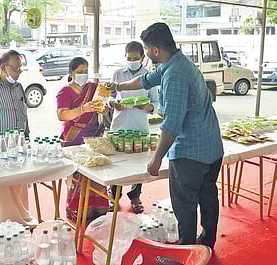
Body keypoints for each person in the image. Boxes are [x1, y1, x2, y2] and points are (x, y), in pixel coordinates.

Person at [106, 23, 223, 249]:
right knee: (208, 196)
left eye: (147, 50)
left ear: (155, 50)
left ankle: (187, 249)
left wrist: (157, 157)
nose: (147, 55)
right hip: (211, 147)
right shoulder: (176, 63)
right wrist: (118, 85)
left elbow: (172, 123)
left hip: (191, 153)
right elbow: (145, 80)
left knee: (185, 203)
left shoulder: (175, 75)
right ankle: (207, 244)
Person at [0, 50, 37, 232]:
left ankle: (22, 218)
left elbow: (23, 112)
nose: (19, 71)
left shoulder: (18, 87)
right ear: (3, 67)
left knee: (19, 183)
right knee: (3, 185)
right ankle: (2, 222)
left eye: (20, 68)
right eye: (16, 68)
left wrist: (27, 136)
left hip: (19, 144)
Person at [108, 41, 159, 214]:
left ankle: (135, 195)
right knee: (116, 162)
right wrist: (114, 103)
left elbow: (156, 102)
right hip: (119, 124)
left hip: (140, 125)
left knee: (139, 164)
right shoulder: (117, 74)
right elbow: (108, 97)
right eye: (129, 58)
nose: (132, 61)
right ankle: (113, 195)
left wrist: (148, 107)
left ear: (143, 58)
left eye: (135, 58)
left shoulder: (149, 76)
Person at [56, 57, 109, 222]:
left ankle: (98, 212)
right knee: (78, 179)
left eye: (85, 71)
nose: (83, 75)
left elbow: (102, 105)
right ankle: (78, 213)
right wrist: (83, 109)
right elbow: (62, 114)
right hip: (73, 139)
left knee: (96, 176)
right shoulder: (64, 92)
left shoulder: (93, 88)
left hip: (93, 140)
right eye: (79, 72)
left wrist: (103, 107)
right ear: (71, 73)